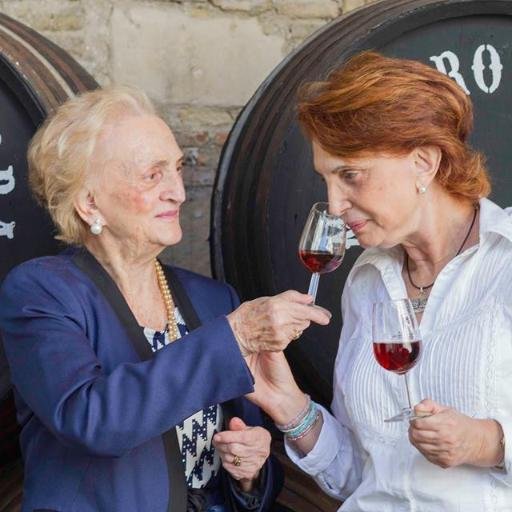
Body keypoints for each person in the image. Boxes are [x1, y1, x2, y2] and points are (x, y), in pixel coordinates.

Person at [0, 86, 331, 512]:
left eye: (176, 168)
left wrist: (250, 471)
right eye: (153, 174)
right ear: (88, 202)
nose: (177, 191)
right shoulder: (43, 293)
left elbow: (243, 455)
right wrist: (235, 336)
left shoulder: (212, 298)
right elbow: (91, 420)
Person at [246, 51, 512, 511]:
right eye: (326, 179)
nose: (333, 204)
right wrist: (289, 405)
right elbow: (360, 473)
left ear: (424, 162)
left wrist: (487, 442)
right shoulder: (367, 279)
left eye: (350, 175)